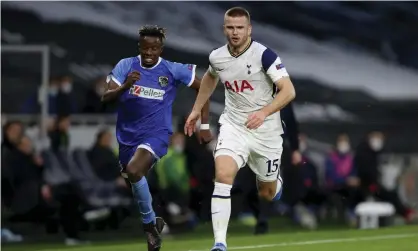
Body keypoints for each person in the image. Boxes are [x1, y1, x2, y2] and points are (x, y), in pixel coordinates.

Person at [184, 7, 296, 251]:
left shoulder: (265, 55)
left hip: (266, 131)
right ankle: (220, 243)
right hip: (234, 126)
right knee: (223, 176)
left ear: (249, 29)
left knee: (266, 192)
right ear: (224, 29)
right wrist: (197, 109)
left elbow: (289, 91)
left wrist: (264, 112)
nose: (235, 32)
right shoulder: (217, 57)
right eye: (230, 27)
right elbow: (210, 77)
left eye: (240, 28)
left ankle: (274, 181)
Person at [101, 25, 212, 251]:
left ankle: (148, 228)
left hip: (156, 134)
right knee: (134, 179)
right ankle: (152, 222)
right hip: (126, 136)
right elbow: (106, 97)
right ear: (139, 46)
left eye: (154, 48)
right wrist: (126, 86)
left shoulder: (171, 70)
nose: (149, 53)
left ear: (161, 49)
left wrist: (204, 123)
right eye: (145, 48)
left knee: (133, 171)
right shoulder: (125, 66)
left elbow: (205, 88)